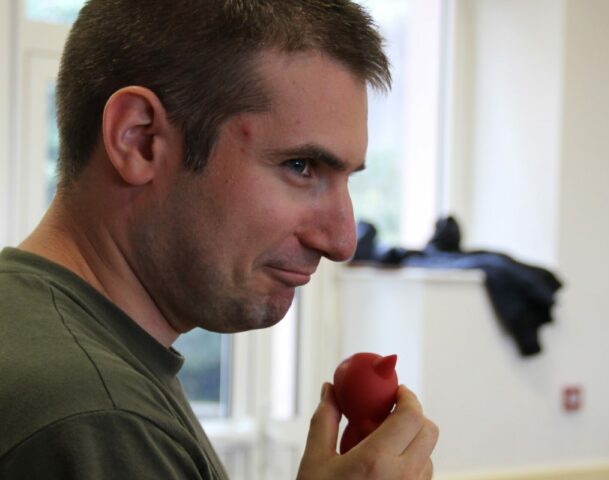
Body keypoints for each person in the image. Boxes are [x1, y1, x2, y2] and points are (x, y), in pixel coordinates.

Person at [0, 0, 438, 478]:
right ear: (139, 140)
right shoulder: (97, 417)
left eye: (346, 179)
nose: (342, 241)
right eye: (301, 166)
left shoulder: (36, 328)